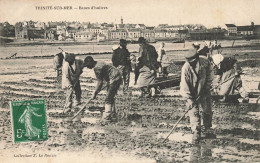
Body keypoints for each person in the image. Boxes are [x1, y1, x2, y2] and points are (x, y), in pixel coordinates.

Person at [180, 49, 214, 144]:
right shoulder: (185, 68)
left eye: (193, 62)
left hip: (204, 89)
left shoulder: (205, 62)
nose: (191, 64)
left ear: (197, 58)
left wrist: (207, 87)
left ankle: (207, 128)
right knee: (193, 111)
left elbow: (210, 74)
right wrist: (189, 99)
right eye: (189, 62)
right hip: (191, 91)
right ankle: (196, 131)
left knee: (206, 110)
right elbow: (184, 85)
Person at [83, 56, 122, 123]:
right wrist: (108, 82)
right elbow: (106, 73)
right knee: (111, 97)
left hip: (114, 79)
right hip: (117, 76)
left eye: (87, 65)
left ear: (91, 62)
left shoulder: (97, 68)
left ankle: (107, 117)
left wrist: (95, 93)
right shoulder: (99, 62)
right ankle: (113, 114)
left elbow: (100, 82)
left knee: (108, 99)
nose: (87, 67)